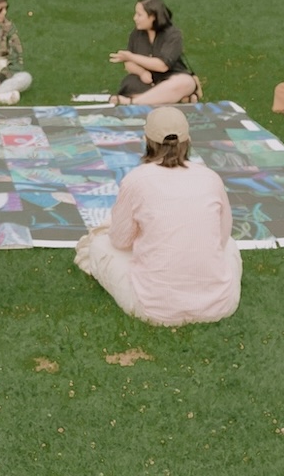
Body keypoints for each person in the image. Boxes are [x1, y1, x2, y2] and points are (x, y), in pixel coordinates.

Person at [74, 106, 240, 326]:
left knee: (99, 246)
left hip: (154, 310)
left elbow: (120, 240)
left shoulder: (136, 179)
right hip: (220, 306)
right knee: (230, 245)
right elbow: (221, 237)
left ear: (147, 140)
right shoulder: (210, 177)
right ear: (187, 140)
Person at [109, 0, 198, 106]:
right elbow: (129, 65)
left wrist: (130, 56)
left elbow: (162, 66)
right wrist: (141, 73)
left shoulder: (173, 34)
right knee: (129, 83)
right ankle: (172, 99)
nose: (135, 18)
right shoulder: (136, 34)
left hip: (171, 78)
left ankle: (133, 101)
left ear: (153, 17)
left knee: (185, 82)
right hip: (147, 81)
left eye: (139, 15)